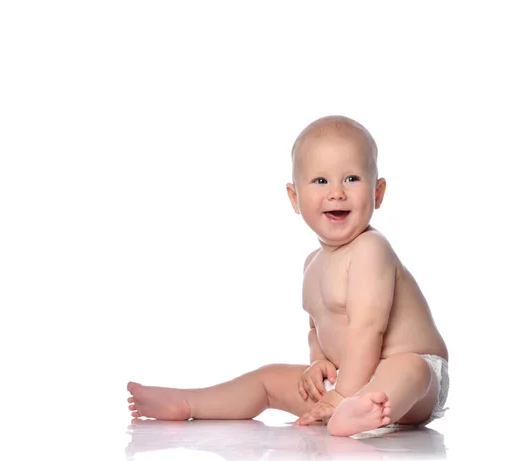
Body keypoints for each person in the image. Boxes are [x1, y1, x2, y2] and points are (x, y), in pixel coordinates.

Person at [127, 115, 449, 437]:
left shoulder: (371, 249)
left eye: (351, 178)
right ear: (295, 198)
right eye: (321, 181)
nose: (336, 192)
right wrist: (318, 363)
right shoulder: (312, 263)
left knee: (409, 368)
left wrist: (341, 393)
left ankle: (360, 407)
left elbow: (368, 328)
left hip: (414, 386)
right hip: (348, 382)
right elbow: (317, 326)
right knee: (267, 379)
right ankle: (190, 403)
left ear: (378, 193)